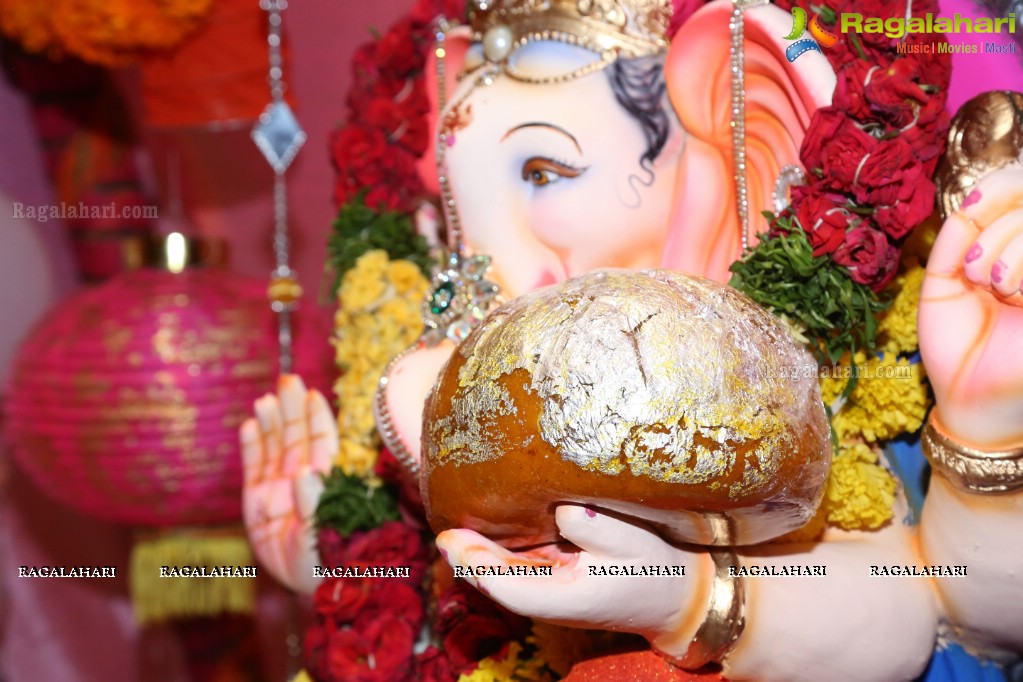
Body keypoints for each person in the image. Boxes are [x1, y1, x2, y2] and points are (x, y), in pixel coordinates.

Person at [242, 1, 1023, 679]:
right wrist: (341, 566)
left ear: (717, 158)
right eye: (450, 207)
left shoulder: (834, 369)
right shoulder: (485, 421)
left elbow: (941, 617)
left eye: (546, 171)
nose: (488, 267)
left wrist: (686, 599)